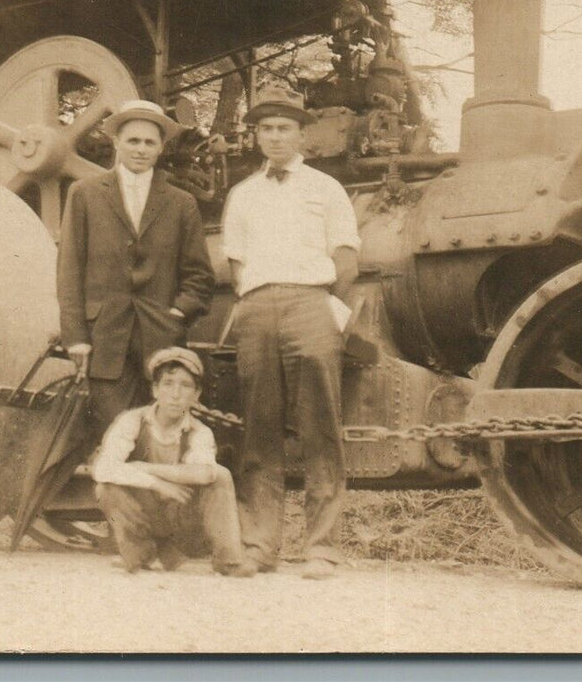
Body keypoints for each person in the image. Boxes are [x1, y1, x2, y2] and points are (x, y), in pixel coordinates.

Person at [221, 86, 360, 580]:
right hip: (257, 308)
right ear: (256, 136)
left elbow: (345, 256)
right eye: (266, 128)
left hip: (311, 304)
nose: (275, 136)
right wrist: (257, 302)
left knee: (320, 426)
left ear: (302, 134)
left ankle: (322, 547)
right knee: (258, 431)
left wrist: (324, 306)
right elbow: (237, 263)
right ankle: (260, 545)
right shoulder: (242, 194)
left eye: (284, 128)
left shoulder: (326, 188)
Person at [57, 99, 215, 438]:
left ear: (161, 148)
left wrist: (176, 314)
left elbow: (200, 275)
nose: (141, 149)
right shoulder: (84, 194)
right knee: (113, 434)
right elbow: (69, 269)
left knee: (161, 435)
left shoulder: (180, 203)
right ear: (116, 142)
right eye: (133, 140)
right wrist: (76, 338)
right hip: (104, 337)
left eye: (149, 142)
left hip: (162, 338)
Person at [93, 347, 253, 577]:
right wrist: (156, 484)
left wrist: (146, 468)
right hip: (146, 514)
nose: (176, 394)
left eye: (185, 386)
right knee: (106, 488)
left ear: (196, 395)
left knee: (221, 475)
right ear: (155, 389)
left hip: (182, 521)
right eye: (168, 384)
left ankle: (228, 560)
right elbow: (103, 468)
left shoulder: (199, 431)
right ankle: (142, 555)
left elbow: (206, 474)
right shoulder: (132, 421)